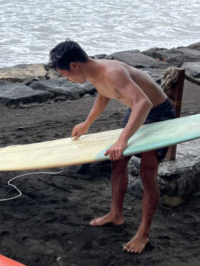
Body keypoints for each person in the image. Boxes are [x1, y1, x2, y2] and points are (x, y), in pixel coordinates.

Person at [47, 40, 176, 254]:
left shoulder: (112, 71)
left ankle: (143, 233)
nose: (67, 79)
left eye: (65, 74)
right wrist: (87, 124)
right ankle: (116, 214)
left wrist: (122, 139)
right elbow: (104, 94)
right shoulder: (95, 72)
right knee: (117, 162)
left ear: (75, 66)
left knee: (147, 170)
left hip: (158, 114)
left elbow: (144, 102)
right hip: (135, 111)